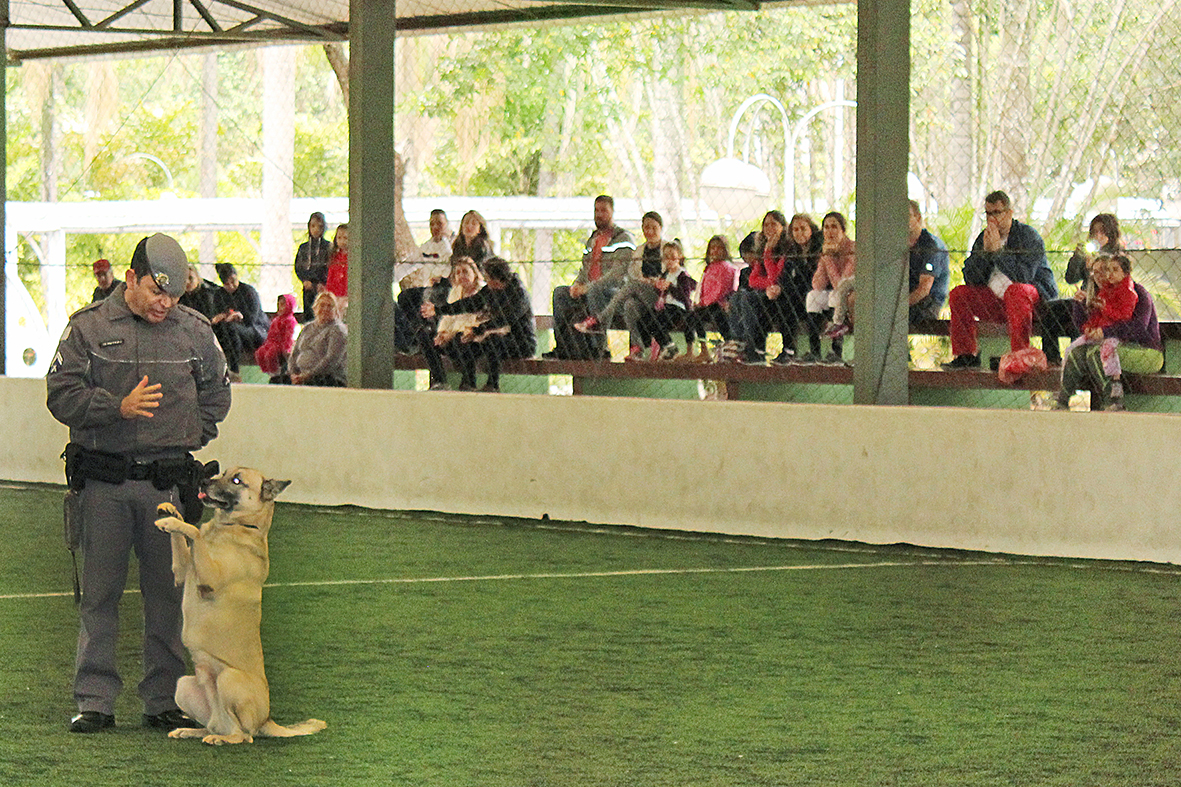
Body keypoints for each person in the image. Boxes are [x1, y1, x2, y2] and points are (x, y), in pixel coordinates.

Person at [46, 233, 232, 734]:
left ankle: (163, 699)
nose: (165, 303)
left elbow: (218, 392)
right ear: (131, 279)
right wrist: (115, 408)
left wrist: (188, 435)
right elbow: (60, 393)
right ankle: (95, 701)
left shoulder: (193, 332)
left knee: (166, 599)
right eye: (156, 291)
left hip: (166, 489)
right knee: (99, 597)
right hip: (105, 483)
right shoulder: (87, 328)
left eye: (173, 295)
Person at [943, 190, 1058, 369]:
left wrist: (999, 253)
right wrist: (985, 255)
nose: (992, 218)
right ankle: (966, 356)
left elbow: (1025, 276)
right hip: (997, 303)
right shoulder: (984, 238)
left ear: (1009, 213)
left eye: (997, 213)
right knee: (959, 294)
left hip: (1031, 303)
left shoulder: (1028, 236)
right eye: (988, 213)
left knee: (1016, 290)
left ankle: (1019, 355)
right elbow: (971, 279)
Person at [1054, 253, 1162, 411]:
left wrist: (1105, 332)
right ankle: (1062, 401)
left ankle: (1112, 401)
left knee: (1097, 353)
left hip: (1144, 349)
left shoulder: (1137, 293)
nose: (1101, 276)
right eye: (1095, 272)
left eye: (1105, 270)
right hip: (1115, 345)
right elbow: (1082, 325)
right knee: (1076, 352)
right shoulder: (1101, 294)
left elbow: (1138, 328)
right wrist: (1080, 305)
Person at [544, 195, 636, 360]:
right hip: (590, 288)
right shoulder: (592, 239)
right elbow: (585, 267)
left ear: (612, 212)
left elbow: (618, 274)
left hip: (614, 292)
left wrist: (590, 287)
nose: (599, 214)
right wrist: (577, 284)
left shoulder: (623, 239)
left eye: (603, 210)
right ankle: (563, 347)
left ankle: (599, 348)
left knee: (595, 290)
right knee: (560, 293)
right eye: (596, 210)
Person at [436, 258, 537, 392]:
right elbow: (470, 303)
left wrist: (478, 331)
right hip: (495, 335)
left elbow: (505, 319)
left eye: (488, 277)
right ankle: (468, 383)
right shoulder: (490, 290)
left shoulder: (518, 293)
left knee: (493, 341)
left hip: (520, 342)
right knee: (468, 343)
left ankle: (492, 385)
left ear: (496, 279)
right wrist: (440, 309)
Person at [572, 210, 665, 355]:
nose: (650, 231)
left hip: (659, 295)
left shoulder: (667, 249)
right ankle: (637, 349)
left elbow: (671, 273)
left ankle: (597, 319)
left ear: (660, 228)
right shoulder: (639, 251)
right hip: (640, 293)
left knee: (631, 285)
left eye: (654, 227)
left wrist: (653, 281)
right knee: (629, 305)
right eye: (647, 227)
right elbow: (633, 273)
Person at [1040, 212, 1122, 366]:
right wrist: (1078, 257)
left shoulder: (1116, 255)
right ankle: (1051, 358)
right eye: (1094, 232)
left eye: (1102, 232)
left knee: (1079, 317)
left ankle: (1078, 359)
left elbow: (1113, 285)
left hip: (1102, 303)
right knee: (1052, 309)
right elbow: (1071, 278)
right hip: (1084, 299)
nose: (1097, 236)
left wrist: (1098, 266)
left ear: (1110, 235)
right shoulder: (1088, 252)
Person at [727, 210, 793, 365]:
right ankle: (738, 342)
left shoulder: (787, 248)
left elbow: (774, 276)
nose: (769, 228)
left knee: (749, 299)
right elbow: (752, 280)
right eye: (766, 225)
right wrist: (768, 281)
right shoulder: (762, 247)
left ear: (782, 227)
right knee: (739, 295)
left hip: (780, 296)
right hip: (766, 291)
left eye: (773, 224)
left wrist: (769, 252)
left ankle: (753, 347)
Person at [419, 257, 485, 390]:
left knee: (462, 338)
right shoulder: (455, 291)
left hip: (473, 338)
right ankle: (440, 381)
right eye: (458, 272)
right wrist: (441, 333)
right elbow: (448, 317)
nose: (461, 276)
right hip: (450, 338)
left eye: (465, 272)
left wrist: (451, 333)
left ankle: (468, 383)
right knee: (423, 335)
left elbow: (474, 321)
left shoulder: (482, 292)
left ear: (474, 273)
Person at [395, 210, 454, 354]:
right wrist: (391, 277)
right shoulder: (427, 247)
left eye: (439, 223)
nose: (435, 227)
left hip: (447, 288)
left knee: (426, 297)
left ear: (446, 225)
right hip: (429, 287)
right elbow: (410, 263)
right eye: (431, 224)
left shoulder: (452, 246)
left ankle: (423, 337)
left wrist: (443, 277)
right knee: (405, 297)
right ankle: (409, 339)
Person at [632, 240, 696, 361]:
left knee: (658, 321)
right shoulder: (665, 274)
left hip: (677, 308)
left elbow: (684, 296)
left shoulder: (682, 275)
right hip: (664, 306)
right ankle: (650, 348)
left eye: (673, 257)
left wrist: (670, 287)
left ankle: (669, 347)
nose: (669, 260)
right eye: (666, 257)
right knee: (643, 321)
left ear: (679, 257)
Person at [807, 212, 856, 364]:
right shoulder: (827, 249)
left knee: (836, 295)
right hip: (836, 294)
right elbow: (817, 284)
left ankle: (836, 352)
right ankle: (814, 352)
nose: (829, 231)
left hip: (850, 296)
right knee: (813, 296)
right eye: (826, 227)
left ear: (843, 230)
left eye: (834, 227)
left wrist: (828, 259)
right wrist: (825, 257)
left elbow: (841, 285)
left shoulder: (852, 248)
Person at [683, 235, 740, 362]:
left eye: (719, 248)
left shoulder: (726, 267)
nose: (715, 251)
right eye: (712, 248)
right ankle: (700, 349)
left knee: (716, 315)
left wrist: (705, 302)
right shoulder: (709, 268)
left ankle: (730, 344)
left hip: (718, 304)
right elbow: (703, 287)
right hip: (706, 305)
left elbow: (721, 289)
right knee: (692, 316)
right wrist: (699, 302)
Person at [210, 263, 270, 380]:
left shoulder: (248, 291)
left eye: (233, 281)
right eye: (227, 283)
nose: (232, 285)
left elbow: (252, 318)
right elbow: (216, 315)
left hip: (254, 330)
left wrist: (239, 316)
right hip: (229, 330)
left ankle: (234, 368)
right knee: (222, 329)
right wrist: (222, 316)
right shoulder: (220, 294)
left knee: (232, 329)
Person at [779, 214, 824, 363]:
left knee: (812, 300)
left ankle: (815, 352)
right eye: (795, 230)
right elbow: (787, 279)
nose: (799, 233)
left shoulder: (819, 247)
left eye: (803, 229)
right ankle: (789, 350)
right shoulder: (792, 252)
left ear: (811, 229)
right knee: (785, 302)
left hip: (818, 293)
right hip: (797, 296)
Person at [905, 199, 951, 323]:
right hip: (905, 300)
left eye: (907, 216)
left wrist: (899, 306)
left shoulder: (932, 246)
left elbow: (924, 288)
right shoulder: (899, 245)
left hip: (927, 303)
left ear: (918, 217)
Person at [289, 291, 348, 387]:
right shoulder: (308, 328)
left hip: (325, 377)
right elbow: (295, 353)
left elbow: (331, 360)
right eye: (322, 305)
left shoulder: (337, 330)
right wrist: (293, 374)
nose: (325, 309)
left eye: (330, 306)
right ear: (315, 308)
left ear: (335, 311)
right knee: (276, 381)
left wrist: (307, 376)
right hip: (302, 375)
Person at [293, 212, 331, 322]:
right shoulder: (304, 248)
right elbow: (298, 266)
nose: (316, 230)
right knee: (309, 314)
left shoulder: (328, 247)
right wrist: (305, 280)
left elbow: (328, 267)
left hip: (322, 286)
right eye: (313, 226)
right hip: (308, 286)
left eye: (320, 227)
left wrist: (322, 282)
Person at [255, 293, 299, 383]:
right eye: (279, 304)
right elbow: (271, 334)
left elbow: (289, 336)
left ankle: (275, 372)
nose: (280, 307)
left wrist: (286, 347)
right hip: (272, 342)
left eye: (283, 304)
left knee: (270, 354)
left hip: (281, 344)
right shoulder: (276, 319)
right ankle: (268, 371)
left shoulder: (290, 321)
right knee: (260, 352)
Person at [324, 223, 349, 302]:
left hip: (347, 294)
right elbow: (330, 276)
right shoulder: (334, 257)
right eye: (339, 238)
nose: (342, 241)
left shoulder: (352, 258)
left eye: (345, 238)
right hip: (335, 294)